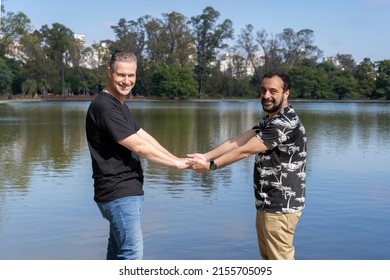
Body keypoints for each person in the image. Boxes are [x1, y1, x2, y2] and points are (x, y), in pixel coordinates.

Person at [188, 71, 307, 260]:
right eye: (263, 90)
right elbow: (237, 141)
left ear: (286, 93)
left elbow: (246, 150)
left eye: (273, 91)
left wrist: (210, 166)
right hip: (267, 203)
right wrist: (204, 156)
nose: (266, 95)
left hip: (280, 205)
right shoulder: (270, 119)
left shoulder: (284, 123)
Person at [85, 49, 191, 260]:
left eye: (131, 75)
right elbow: (139, 147)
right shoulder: (105, 107)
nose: (126, 81)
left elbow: (144, 137)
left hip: (122, 193)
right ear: (109, 72)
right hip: (118, 193)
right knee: (132, 256)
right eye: (121, 75)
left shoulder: (118, 105)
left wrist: (177, 158)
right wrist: (176, 164)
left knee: (117, 254)